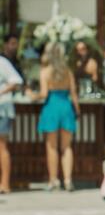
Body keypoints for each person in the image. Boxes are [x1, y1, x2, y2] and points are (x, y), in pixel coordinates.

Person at [37, 43, 79, 192]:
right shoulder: (68, 71)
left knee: (52, 147)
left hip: (51, 107)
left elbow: (43, 94)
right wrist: (77, 111)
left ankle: (53, 180)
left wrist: (31, 94)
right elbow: (73, 94)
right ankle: (68, 180)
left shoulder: (45, 72)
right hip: (66, 107)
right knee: (67, 147)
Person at [0, 40, 22, 195]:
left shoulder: (2, 62)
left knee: (1, 147)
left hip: (2, 108)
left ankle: (5, 184)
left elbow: (16, 81)